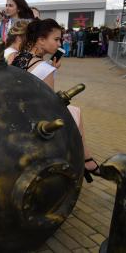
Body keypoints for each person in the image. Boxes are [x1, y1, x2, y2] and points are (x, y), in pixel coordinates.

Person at [12, 18, 99, 181]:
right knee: (74, 113)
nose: (59, 44)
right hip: (33, 122)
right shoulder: (45, 68)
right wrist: (51, 69)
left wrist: (52, 68)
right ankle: (86, 160)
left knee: (74, 110)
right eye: (56, 39)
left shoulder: (17, 58)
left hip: (16, 114)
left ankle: (86, 159)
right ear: (41, 40)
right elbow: (50, 107)